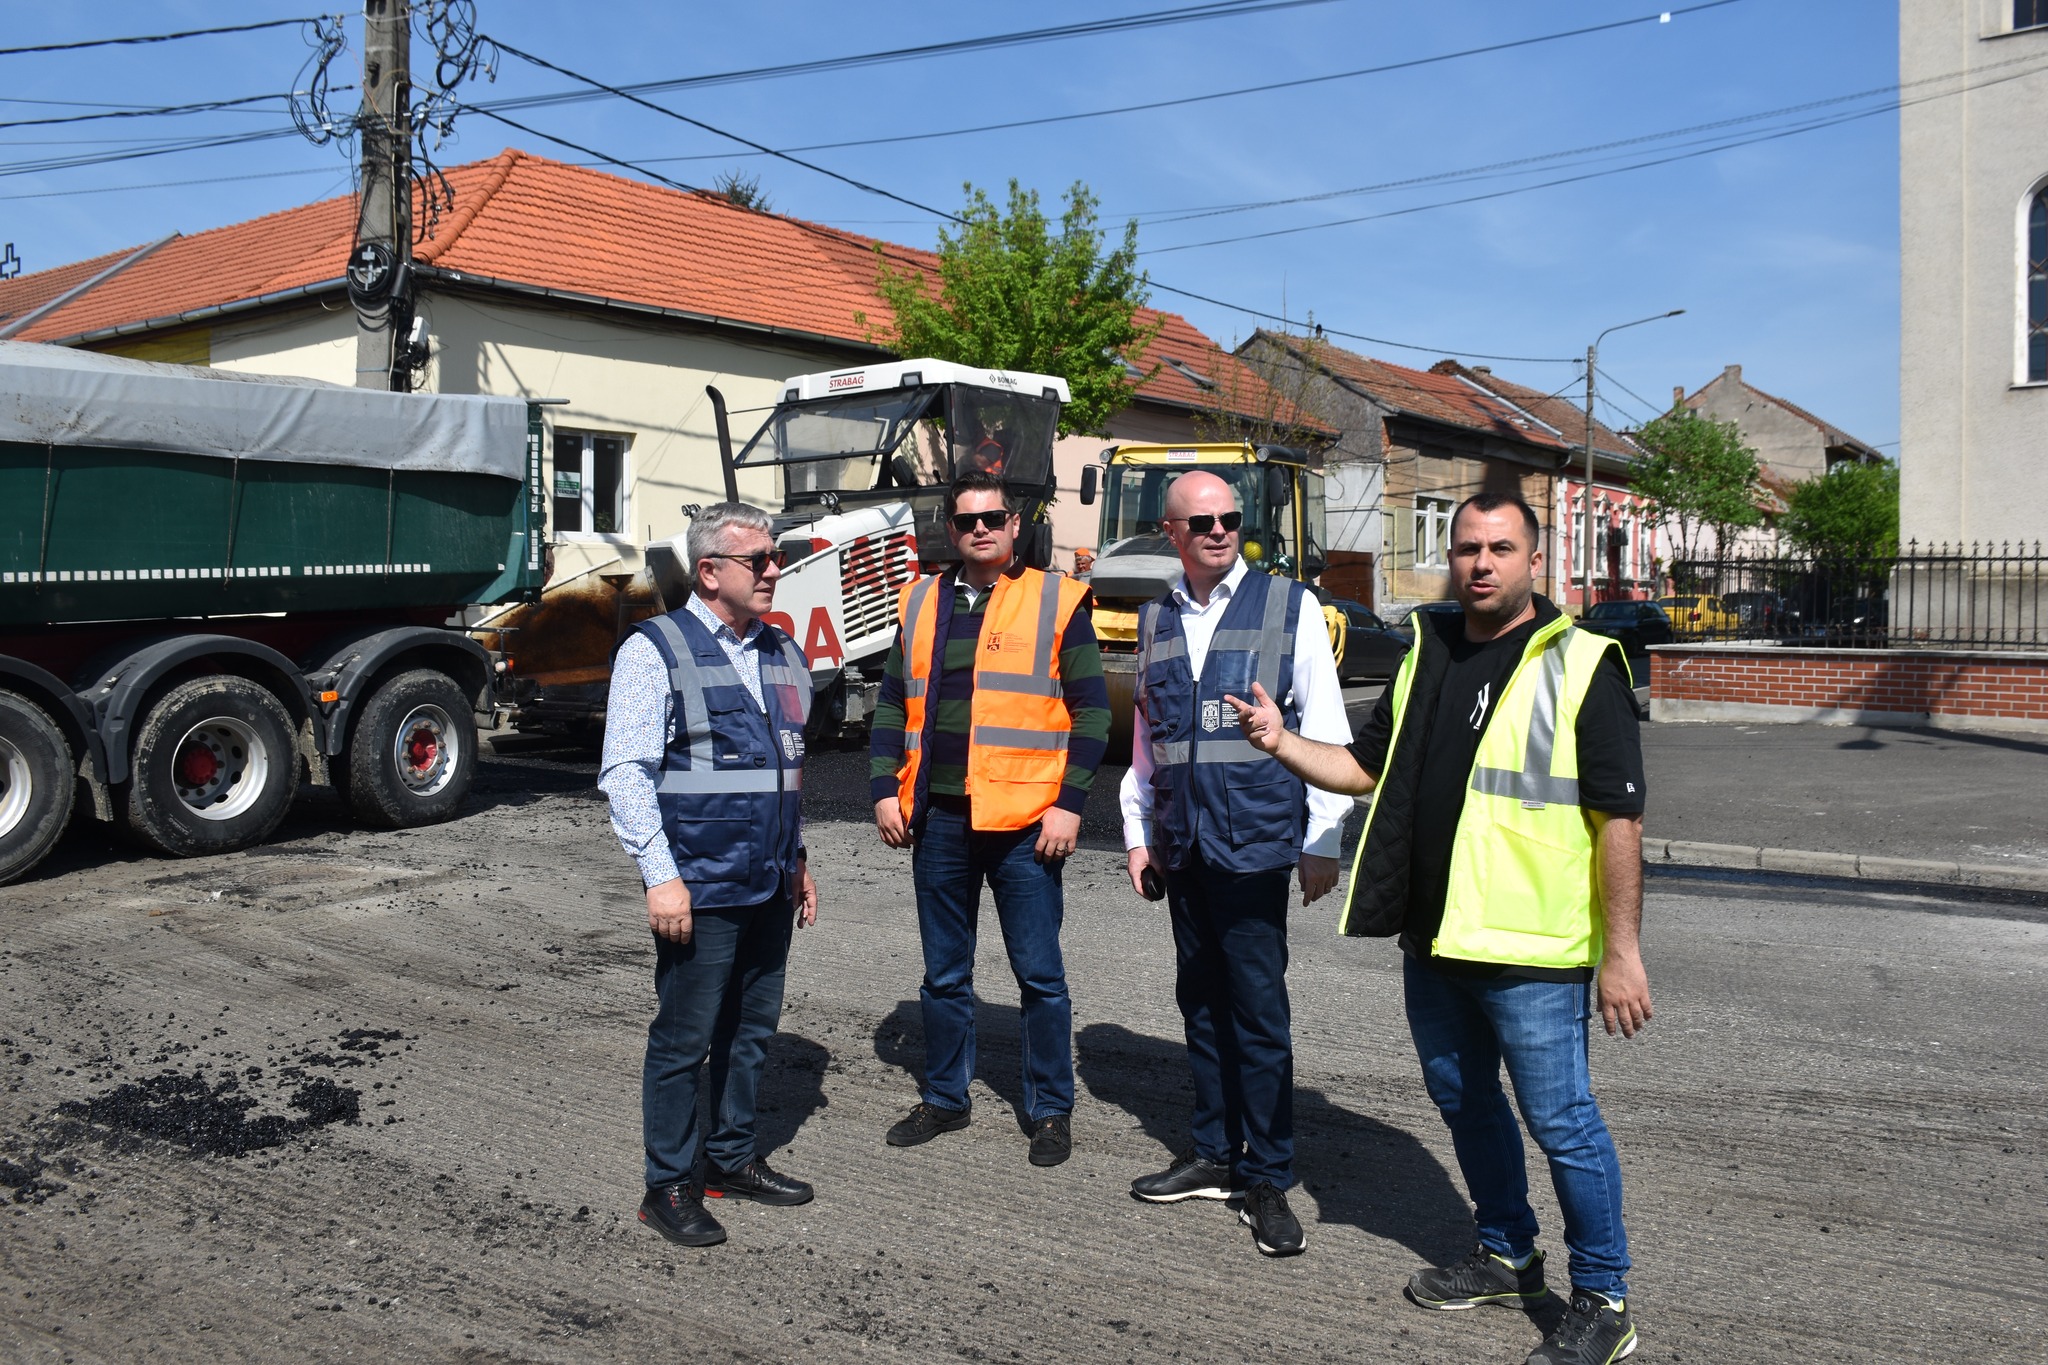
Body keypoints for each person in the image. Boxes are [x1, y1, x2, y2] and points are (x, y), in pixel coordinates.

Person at [1225, 492, 1652, 1364]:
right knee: (1466, 1102)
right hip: (1438, 937)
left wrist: (1623, 952)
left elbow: (1620, 819)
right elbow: (1363, 767)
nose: (1481, 563)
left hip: (1533, 950)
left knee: (1562, 1121)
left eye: (1500, 547)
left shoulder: (1582, 662)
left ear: (1535, 559)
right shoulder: (1427, 648)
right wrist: (1280, 740)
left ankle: (1604, 1297)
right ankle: (1508, 1255)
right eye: (1466, 548)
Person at [1119, 470, 1352, 1259]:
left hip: (1255, 844)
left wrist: (1322, 837)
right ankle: (1215, 1153)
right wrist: (1138, 833)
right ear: (1172, 532)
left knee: (1257, 1015)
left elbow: (1327, 728)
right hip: (1183, 844)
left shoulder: (1290, 605)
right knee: (1201, 1004)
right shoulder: (1155, 617)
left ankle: (1268, 1175)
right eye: (1203, 521)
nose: (1220, 530)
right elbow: (1148, 741)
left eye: (1231, 517)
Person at [869, 471, 1110, 1167]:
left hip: (1026, 824)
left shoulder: (1056, 599)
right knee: (944, 974)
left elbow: (1093, 711)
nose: (981, 529)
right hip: (939, 819)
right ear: (951, 529)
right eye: (968, 520)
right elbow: (892, 701)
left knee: (1040, 976)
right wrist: (883, 789)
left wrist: (1070, 804)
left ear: (1014, 526)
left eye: (994, 518)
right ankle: (946, 1096)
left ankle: (1050, 1109)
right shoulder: (920, 599)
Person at [599, 501, 821, 1249]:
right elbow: (627, 773)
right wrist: (660, 876)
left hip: (769, 882)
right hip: (699, 886)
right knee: (684, 1038)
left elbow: (785, 772)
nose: (773, 570)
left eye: (776, 557)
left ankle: (730, 1158)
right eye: (759, 559)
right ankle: (667, 1185)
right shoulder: (654, 650)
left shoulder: (782, 650)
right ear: (709, 571)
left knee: (751, 1032)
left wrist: (798, 859)